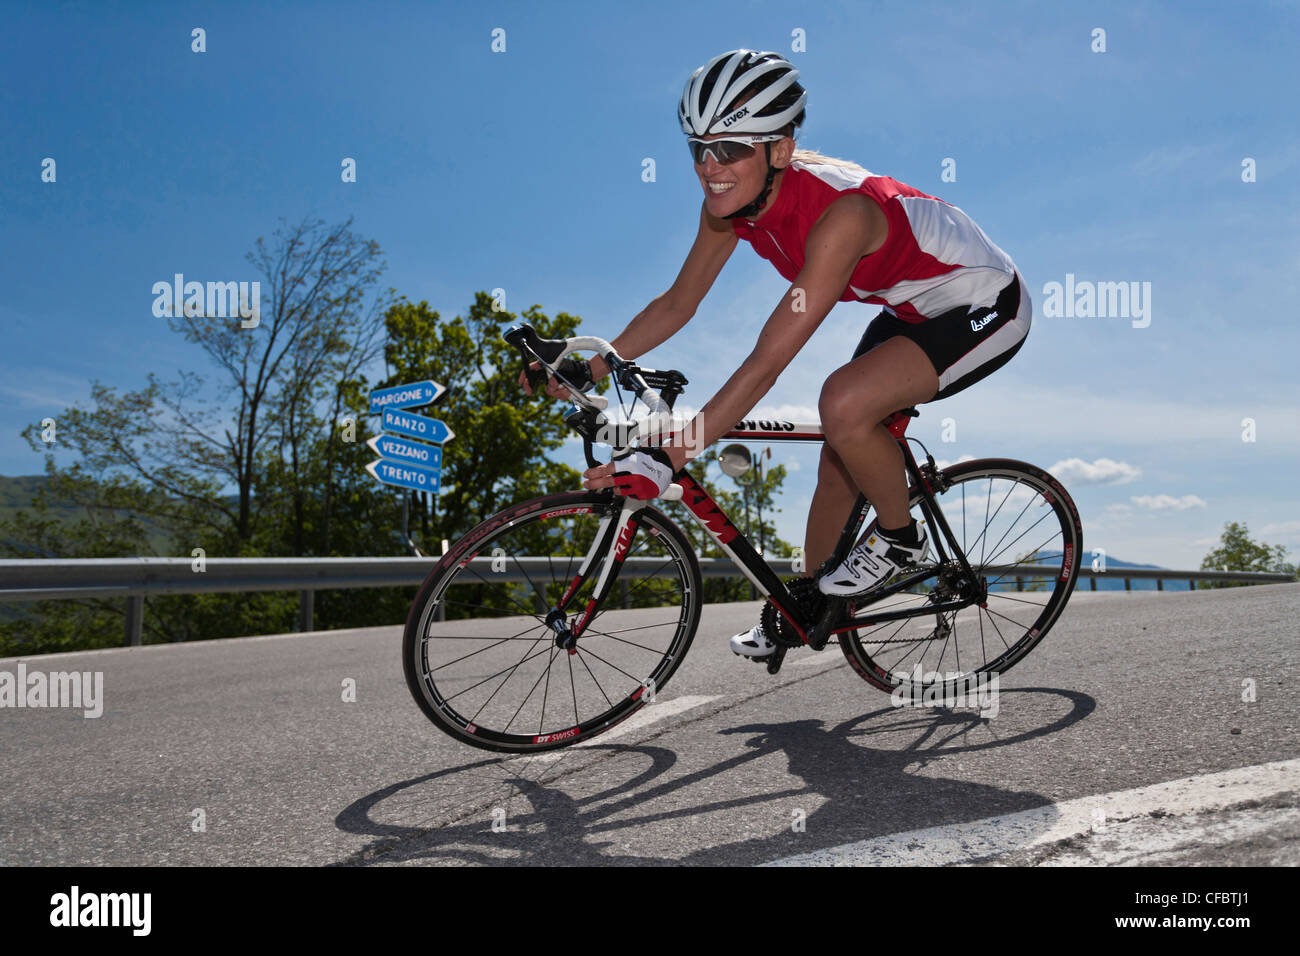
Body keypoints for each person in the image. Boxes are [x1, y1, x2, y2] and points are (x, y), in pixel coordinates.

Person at [529, 49, 1032, 660]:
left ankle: (902, 540)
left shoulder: (842, 215)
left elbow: (768, 359)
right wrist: (592, 364)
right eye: (699, 148)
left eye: (732, 149)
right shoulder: (731, 207)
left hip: (985, 300)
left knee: (842, 404)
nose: (711, 168)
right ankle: (808, 604)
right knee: (838, 458)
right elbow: (678, 303)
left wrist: (670, 453)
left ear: (780, 151)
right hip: (909, 308)